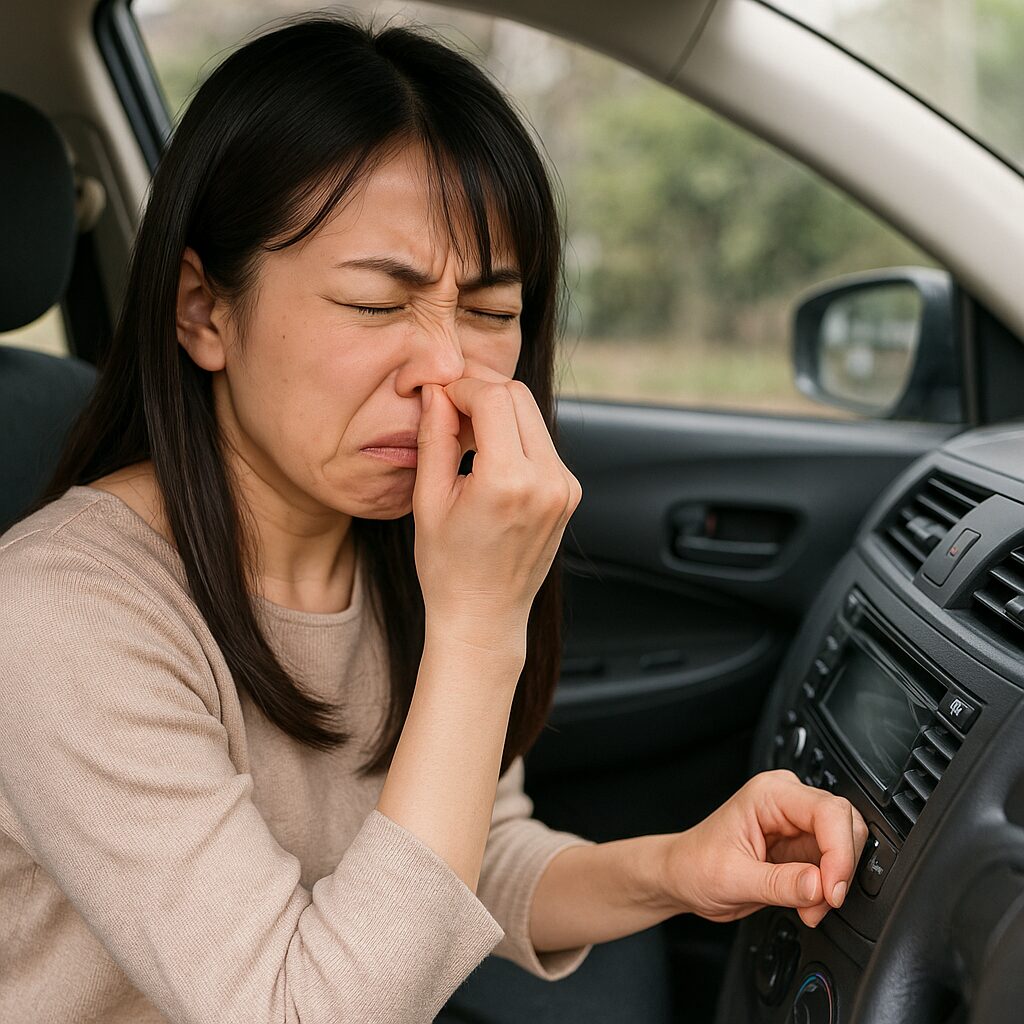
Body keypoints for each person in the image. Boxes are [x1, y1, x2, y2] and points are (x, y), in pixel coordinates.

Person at [0, 13, 869, 1024]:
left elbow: (466, 856)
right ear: (204, 311)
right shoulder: (62, 615)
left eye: (491, 311)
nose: (446, 369)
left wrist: (675, 868)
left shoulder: (393, 547)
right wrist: (478, 625)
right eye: (376, 304)